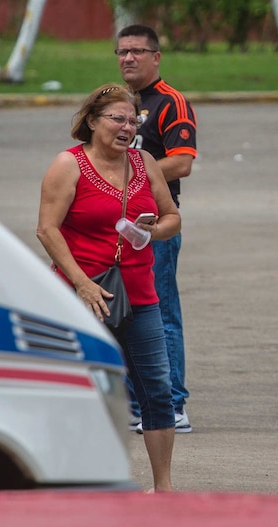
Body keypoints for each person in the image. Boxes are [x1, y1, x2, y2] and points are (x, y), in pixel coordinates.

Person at [36, 83, 181, 492]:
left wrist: (149, 234)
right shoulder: (69, 165)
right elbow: (47, 230)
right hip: (81, 294)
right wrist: (81, 285)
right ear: (92, 121)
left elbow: (173, 217)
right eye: (117, 118)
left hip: (140, 295)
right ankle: (71, 482)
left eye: (133, 120)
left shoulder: (144, 161)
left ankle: (163, 489)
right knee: (79, 388)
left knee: (157, 390)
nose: (127, 127)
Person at [116, 24, 197, 434]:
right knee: (123, 313)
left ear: (156, 57)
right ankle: (136, 402)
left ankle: (172, 404)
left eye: (136, 51)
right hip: (116, 226)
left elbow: (181, 162)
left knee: (160, 312)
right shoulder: (118, 103)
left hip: (155, 225)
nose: (128, 58)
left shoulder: (170, 102)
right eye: (122, 51)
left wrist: (127, 177)